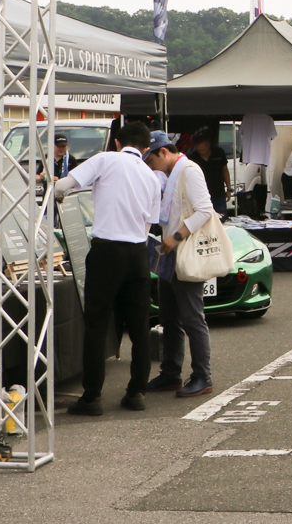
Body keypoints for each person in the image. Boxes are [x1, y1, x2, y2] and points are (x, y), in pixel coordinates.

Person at [54, 120, 162, 415]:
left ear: (117, 142)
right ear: (146, 147)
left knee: (97, 325)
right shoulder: (152, 178)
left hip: (106, 252)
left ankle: (92, 397)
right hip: (138, 254)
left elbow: (63, 185)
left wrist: (55, 191)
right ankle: (137, 392)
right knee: (139, 326)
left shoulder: (105, 158)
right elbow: (149, 223)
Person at [145, 131, 215, 398]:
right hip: (169, 251)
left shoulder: (189, 170)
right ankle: (171, 373)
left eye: (151, 161)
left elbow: (205, 210)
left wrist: (176, 237)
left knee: (191, 317)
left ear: (163, 152)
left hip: (183, 249)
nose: (151, 167)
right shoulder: (173, 171)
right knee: (169, 316)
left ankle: (202, 376)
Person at [191, 129, 231, 215]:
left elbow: (225, 170)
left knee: (222, 216)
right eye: (199, 150)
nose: (201, 152)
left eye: (203, 149)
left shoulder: (219, 153)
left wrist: (229, 188)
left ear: (208, 146)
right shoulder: (193, 157)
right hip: (202, 194)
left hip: (218, 192)